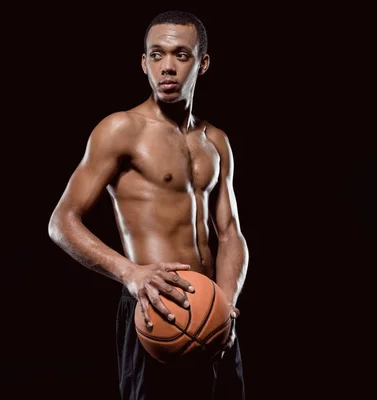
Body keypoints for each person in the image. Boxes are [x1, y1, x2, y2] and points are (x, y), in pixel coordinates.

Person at [48, 9, 249, 400]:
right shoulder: (121, 129)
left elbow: (230, 233)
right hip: (157, 308)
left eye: (180, 55)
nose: (167, 67)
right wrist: (130, 274)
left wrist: (226, 305)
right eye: (156, 55)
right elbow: (62, 222)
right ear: (143, 63)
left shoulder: (216, 141)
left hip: (212, 312)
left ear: (202, 63)